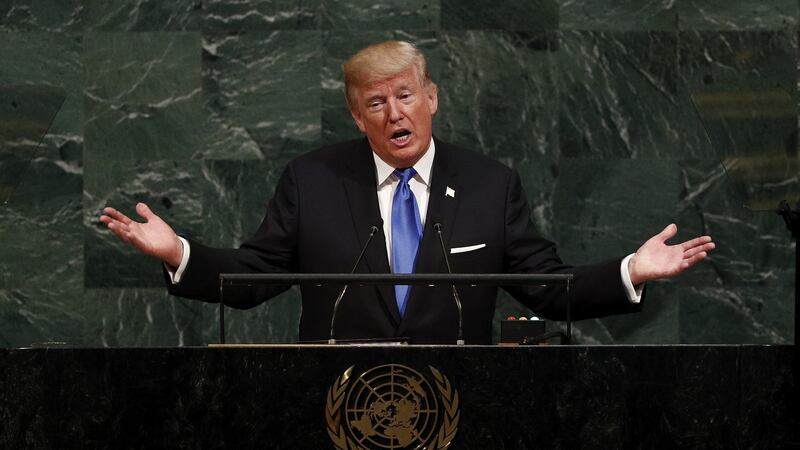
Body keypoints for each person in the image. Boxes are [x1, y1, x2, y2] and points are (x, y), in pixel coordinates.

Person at [100, 40, 715, 344]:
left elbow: (547, 289)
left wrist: (634, 269)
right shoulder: (313, 181)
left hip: (460, 407)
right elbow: (256, 277)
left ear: (431, 99)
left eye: (404, 95)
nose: (394, 113)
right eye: (376, 102)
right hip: (335, 408)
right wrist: (179, 252)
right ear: (356, 115)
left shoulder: (488, 185)